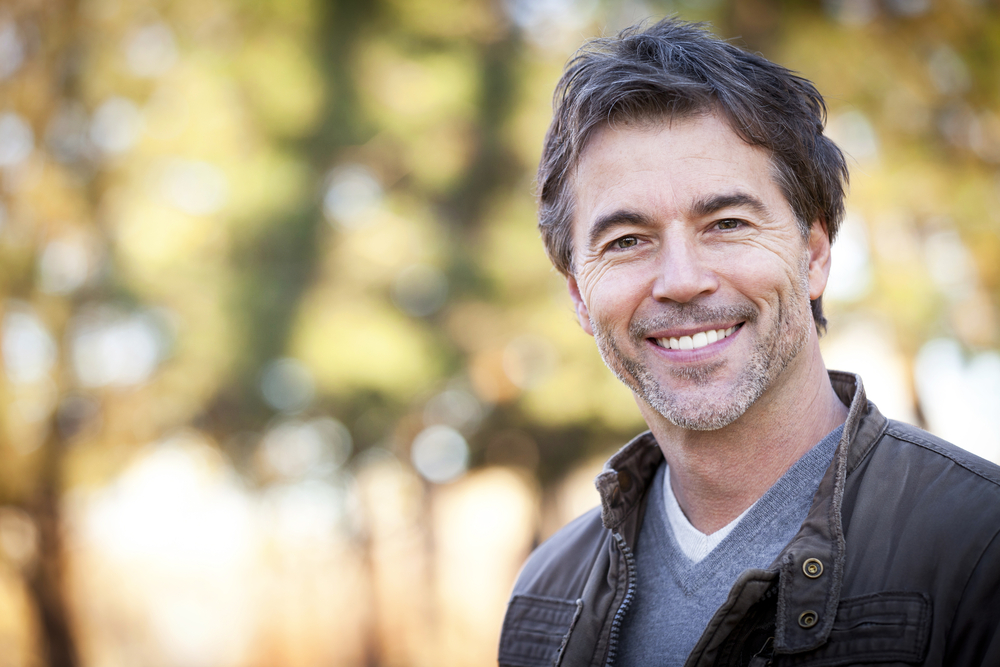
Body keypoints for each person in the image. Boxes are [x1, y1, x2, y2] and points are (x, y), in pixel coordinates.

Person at [498, 17, 1000, 667]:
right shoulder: (546, 599)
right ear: (577, 295)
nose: (681, 280)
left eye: (727, 223)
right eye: (626, 240)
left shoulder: (979, 546)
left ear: (814, 254)